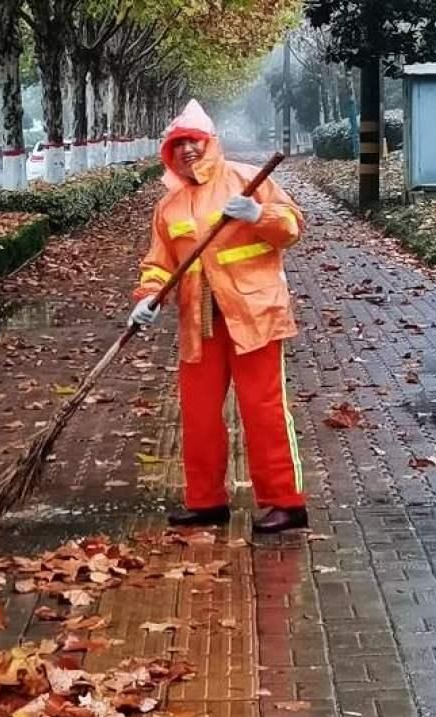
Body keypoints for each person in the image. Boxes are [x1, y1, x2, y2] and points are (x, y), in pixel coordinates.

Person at [129, 99, 307, 534]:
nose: (187, 150)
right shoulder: (169, 207)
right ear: (168, 152)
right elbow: (159, 263)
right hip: (200, 321)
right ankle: (205, 501)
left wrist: (258, 214)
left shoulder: (246, 180)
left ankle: (286, 503)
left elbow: (292, 226)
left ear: (210, 142)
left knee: (263, 409)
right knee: (198, 412)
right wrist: (148, 295)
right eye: (177, 144)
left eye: (193, 141)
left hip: (254, 315)